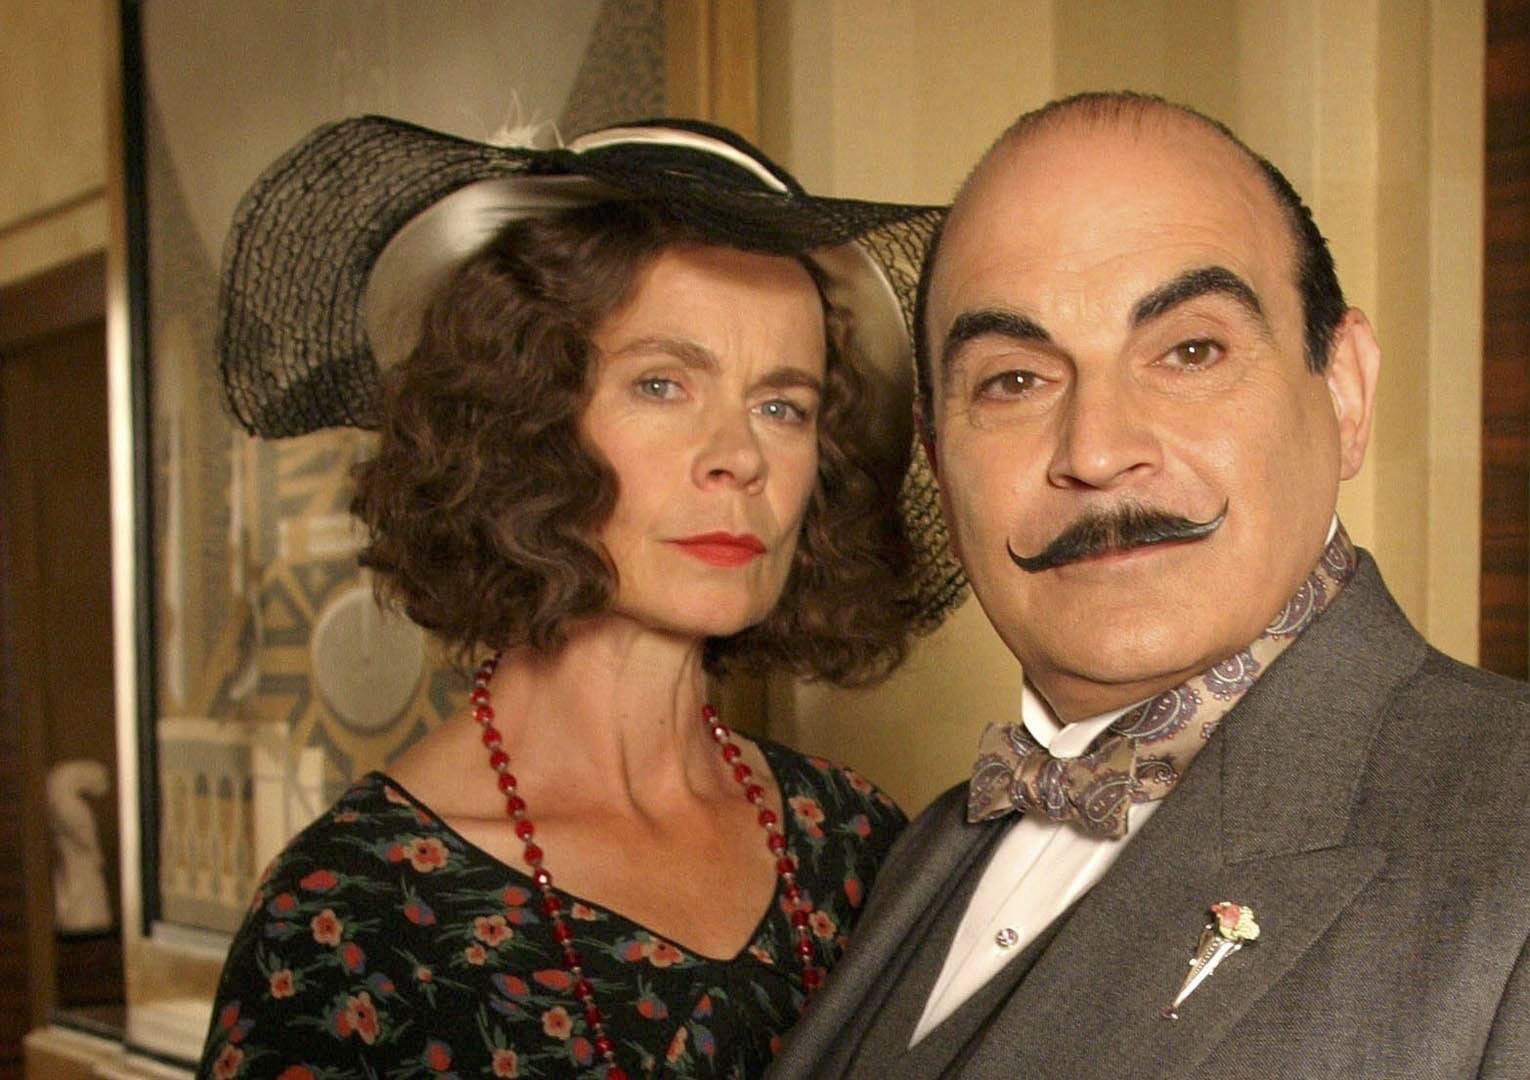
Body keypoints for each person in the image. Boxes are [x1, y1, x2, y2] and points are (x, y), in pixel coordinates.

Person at [771, 92, 1530, 1078]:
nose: (1096, 450)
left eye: (1190, 352)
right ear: (937, 454)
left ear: (1345, 393)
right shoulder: (926, 849)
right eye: (1013, 379)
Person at [196, 116, 961, 1079]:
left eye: (782, 406)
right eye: (662, 384)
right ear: (526, 420)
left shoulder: (854, 841)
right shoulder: (350, 914)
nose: (739, 456)